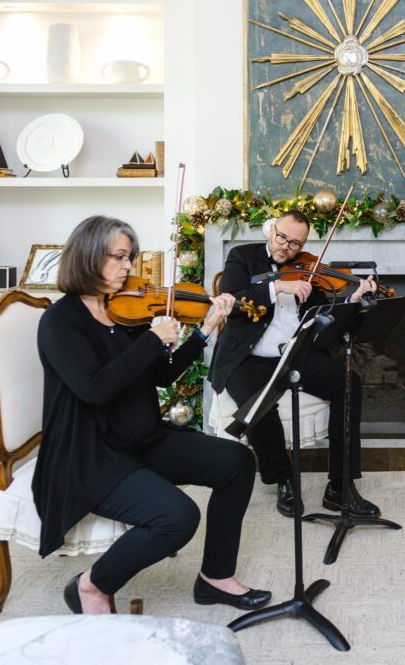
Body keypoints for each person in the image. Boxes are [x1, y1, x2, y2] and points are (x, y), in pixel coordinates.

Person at [33, 215, 269, 615]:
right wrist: (151, 339)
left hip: (142, 439)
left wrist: (205, 329)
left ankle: (215, 576)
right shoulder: (60, 321)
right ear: (89, 255)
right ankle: (91, 586)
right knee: (178, 517)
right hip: (93, 454)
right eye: (121, 257)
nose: (129, 267)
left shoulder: (122, 312)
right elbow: (95, 388)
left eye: (131, 257)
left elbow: (161, 375)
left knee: (237, 461)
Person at [208, 209, 381, 518]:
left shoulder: (308, 270)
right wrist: (277, 287)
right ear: (271, 229)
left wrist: (352, 300)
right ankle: (284, 479)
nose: (286, 247)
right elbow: (231, 301)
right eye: (282, 237)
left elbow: (324, 314)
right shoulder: (242, 257)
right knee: (260, 401)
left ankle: (340, 487)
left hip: (292, 354)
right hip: (247, 358)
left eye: (295, 244)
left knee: (348, 382)